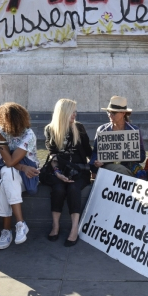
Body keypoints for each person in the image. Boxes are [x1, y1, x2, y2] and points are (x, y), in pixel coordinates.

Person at [0, 103, 38, 249]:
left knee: (5, 176)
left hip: (27, 177)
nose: (2, 124)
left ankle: (7, 230)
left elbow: (10, 160)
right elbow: (8, 162)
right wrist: (22, 167)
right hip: (13, 173)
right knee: (5, 177)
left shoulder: (28, 135)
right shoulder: (4, 133)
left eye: (4, 120)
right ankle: (20, 224)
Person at [44, 99, 92, 246]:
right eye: (72, 111)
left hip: (79, 169)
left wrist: (96, 165)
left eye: (75, 111)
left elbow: (89, 151)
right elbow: (52, 155)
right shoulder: (50, 129)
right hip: (58, 169)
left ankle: (74, 228)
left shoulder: (79, 128)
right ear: (63, 112)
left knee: (73, 188)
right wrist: (57, 172)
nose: (75, 114)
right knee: (58, 188)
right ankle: (56, 225)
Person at [90, 96, 146, 177]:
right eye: (108, 112)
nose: (110, 115)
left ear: (123, 113)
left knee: (141, 173)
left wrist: (132, 155)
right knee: (121, 170)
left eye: (114, 113)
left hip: (128, 165)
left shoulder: (134, 130)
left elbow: (142, 156)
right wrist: (96, 163)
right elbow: (95, 153)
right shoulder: (102, 130)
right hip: (108, 166)